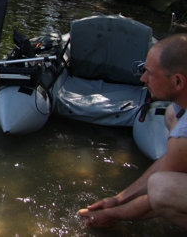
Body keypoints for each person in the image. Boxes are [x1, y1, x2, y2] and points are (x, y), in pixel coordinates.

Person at [77, 33, 187, 230]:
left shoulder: (184, 133)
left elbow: (157, 200)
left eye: (151, 74)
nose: (143, 78)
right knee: (171, 115)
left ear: (178, 82)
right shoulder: (181, 109)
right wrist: (117, 200)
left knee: (161, 188)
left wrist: (111, 214)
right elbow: (169, 163)